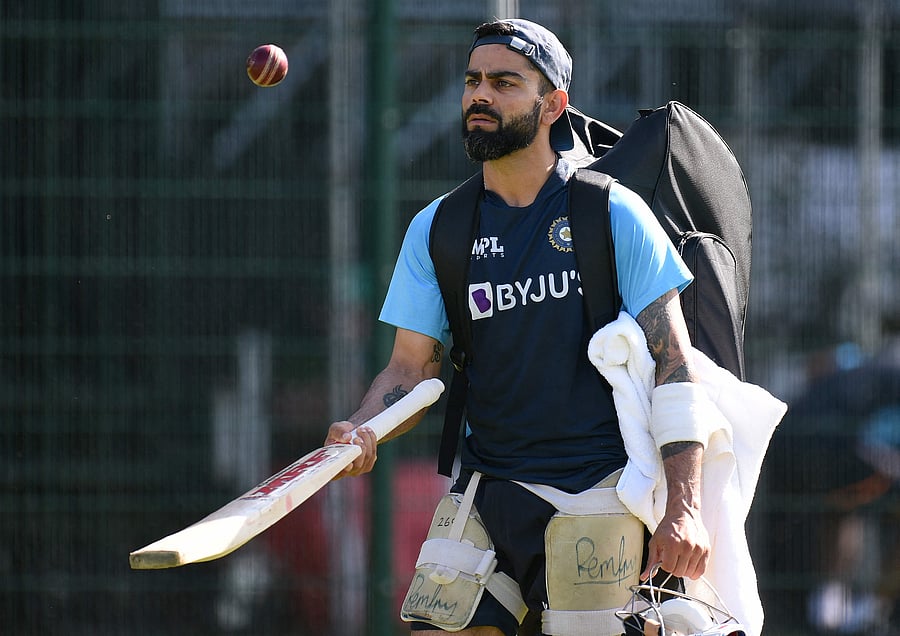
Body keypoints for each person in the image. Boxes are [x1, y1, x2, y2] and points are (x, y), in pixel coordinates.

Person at [325, 18, 710, 636]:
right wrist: (363, 429)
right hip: (486, 485)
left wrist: (685, 507)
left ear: (553, 104)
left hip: (600, 488)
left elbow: (675, 363)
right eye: (473, 81)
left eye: (506, 83)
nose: (481, 95)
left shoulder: (610, 211)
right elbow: (409, 368)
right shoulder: (438, 228)